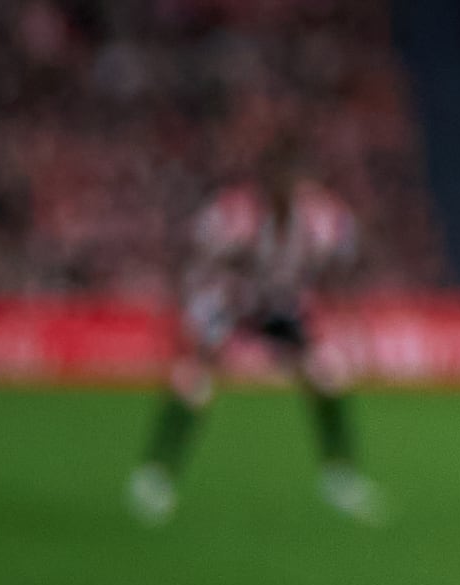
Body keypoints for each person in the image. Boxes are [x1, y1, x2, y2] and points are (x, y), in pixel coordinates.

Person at [130, 144, 378, 526]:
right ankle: (156, 474)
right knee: (193, 383)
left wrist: (344, 314)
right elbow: (199, 257)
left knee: (326, 376)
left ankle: (339, 475)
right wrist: (192, 311)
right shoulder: (237, 213)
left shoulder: (318, 217)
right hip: (233, 303)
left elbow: (346, 262)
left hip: (280, 307)